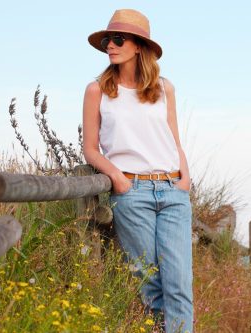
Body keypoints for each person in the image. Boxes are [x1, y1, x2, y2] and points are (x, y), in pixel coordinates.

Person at [82, 9, 193, 333]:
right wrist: (117, 177)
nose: (111, 46)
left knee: (179, 285)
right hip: (133, 193)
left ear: (139, 46)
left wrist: (185, 179)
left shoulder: (164, 88)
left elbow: (174, 139)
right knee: (150, 284)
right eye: (107, 40)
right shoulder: (97, 90)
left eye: (118, 39)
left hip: (173, 191)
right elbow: (90, 148)